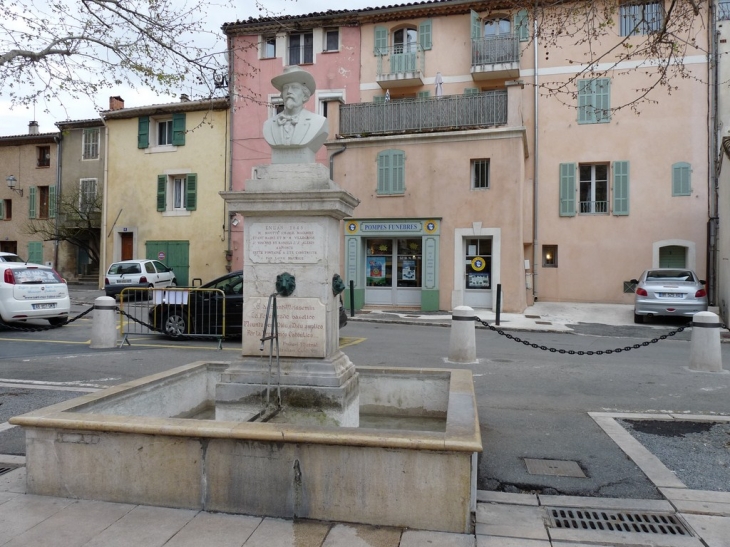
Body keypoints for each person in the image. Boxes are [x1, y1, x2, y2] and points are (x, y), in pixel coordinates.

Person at [263, 66, 328, 153]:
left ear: (305, 95)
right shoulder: (269, 124)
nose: (289, 91)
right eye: (286, 88)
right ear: (282, 95)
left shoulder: (319, 122)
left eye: (294, 88)